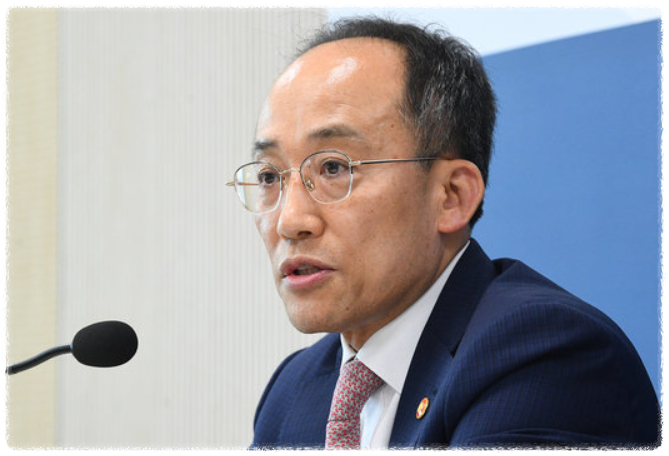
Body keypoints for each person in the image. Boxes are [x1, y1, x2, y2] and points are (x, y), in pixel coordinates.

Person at [228, 17, 660, 449]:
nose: (289, 221)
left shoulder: (545, 356)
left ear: (452, 196)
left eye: (334, 168)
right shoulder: (295, 390)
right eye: (269, 176)